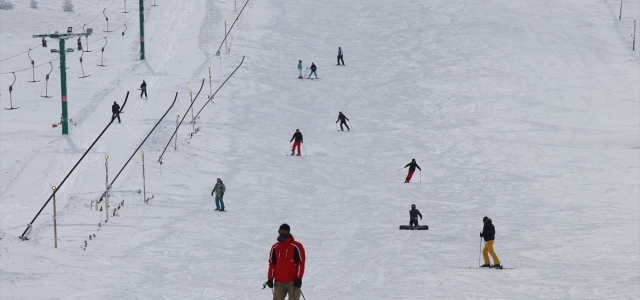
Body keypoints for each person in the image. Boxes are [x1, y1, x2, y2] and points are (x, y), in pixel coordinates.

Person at [265, 224, 306, 300]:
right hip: (279, 282)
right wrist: (270, 278)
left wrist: (299, 278)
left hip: (293, 282)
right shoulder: (275, 247)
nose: (282, 234)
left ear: (288, 233)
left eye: (285, 232)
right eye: (281, 232)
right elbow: (272, 264)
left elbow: (301, 262)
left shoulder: (296, 246)